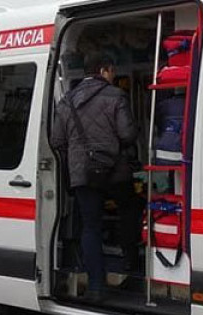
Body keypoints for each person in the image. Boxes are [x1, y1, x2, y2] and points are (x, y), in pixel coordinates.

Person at [51, 55, 139, 301]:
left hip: (83, 174)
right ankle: (132, 266)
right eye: (112, 72)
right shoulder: (115, 96)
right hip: (115, 171)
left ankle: (96, 286)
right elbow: (127, 134)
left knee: (90, 226)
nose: (113, 77)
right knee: (129, 210)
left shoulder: (67, 102)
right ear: (104, 70)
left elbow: (57, 140)